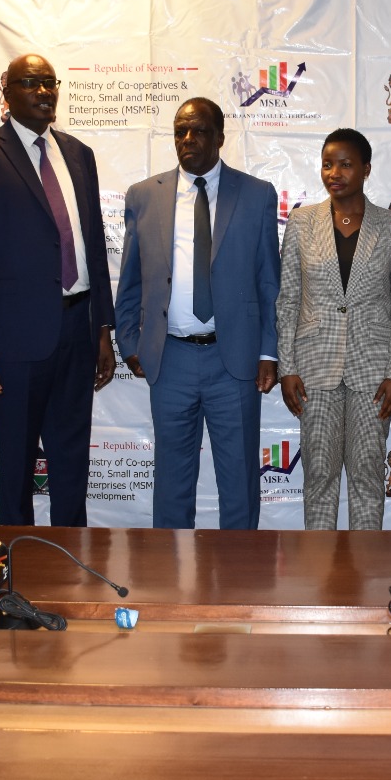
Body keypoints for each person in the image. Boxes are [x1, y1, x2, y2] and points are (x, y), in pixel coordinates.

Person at [0, 53, 116, 526]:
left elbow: (92, 249)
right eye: (30, 83)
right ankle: (17, 569)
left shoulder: (78, 154)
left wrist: (103, 328)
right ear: (6, 90)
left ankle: (72, 563)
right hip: (14, 339)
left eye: (50, 82)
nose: (44, 92)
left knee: (71, 461)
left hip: (78, 329)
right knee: (19, 463)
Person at [115, 97, 280, 530]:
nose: (188, 139)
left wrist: (269, 351)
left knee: (240, 483)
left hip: (236, 362)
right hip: (170, 361)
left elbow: (268, 281)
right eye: (180, 131)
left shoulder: (257, 194)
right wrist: (130, 342)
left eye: (199, 130)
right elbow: (130, 279)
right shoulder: (143, 196)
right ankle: (170, 584)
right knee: (171, 482)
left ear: (220, 137)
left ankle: (240, 581)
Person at [275, 128, 391, 529]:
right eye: (327, 164)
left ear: (366, 169)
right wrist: (287, 367)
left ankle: (365, 577)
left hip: (374, 370)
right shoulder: (301, 223)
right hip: (314, 368)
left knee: (369, 475)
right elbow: (287, 300)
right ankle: (321, 577)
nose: (334, 172)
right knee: (318, 473)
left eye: (346, 164)